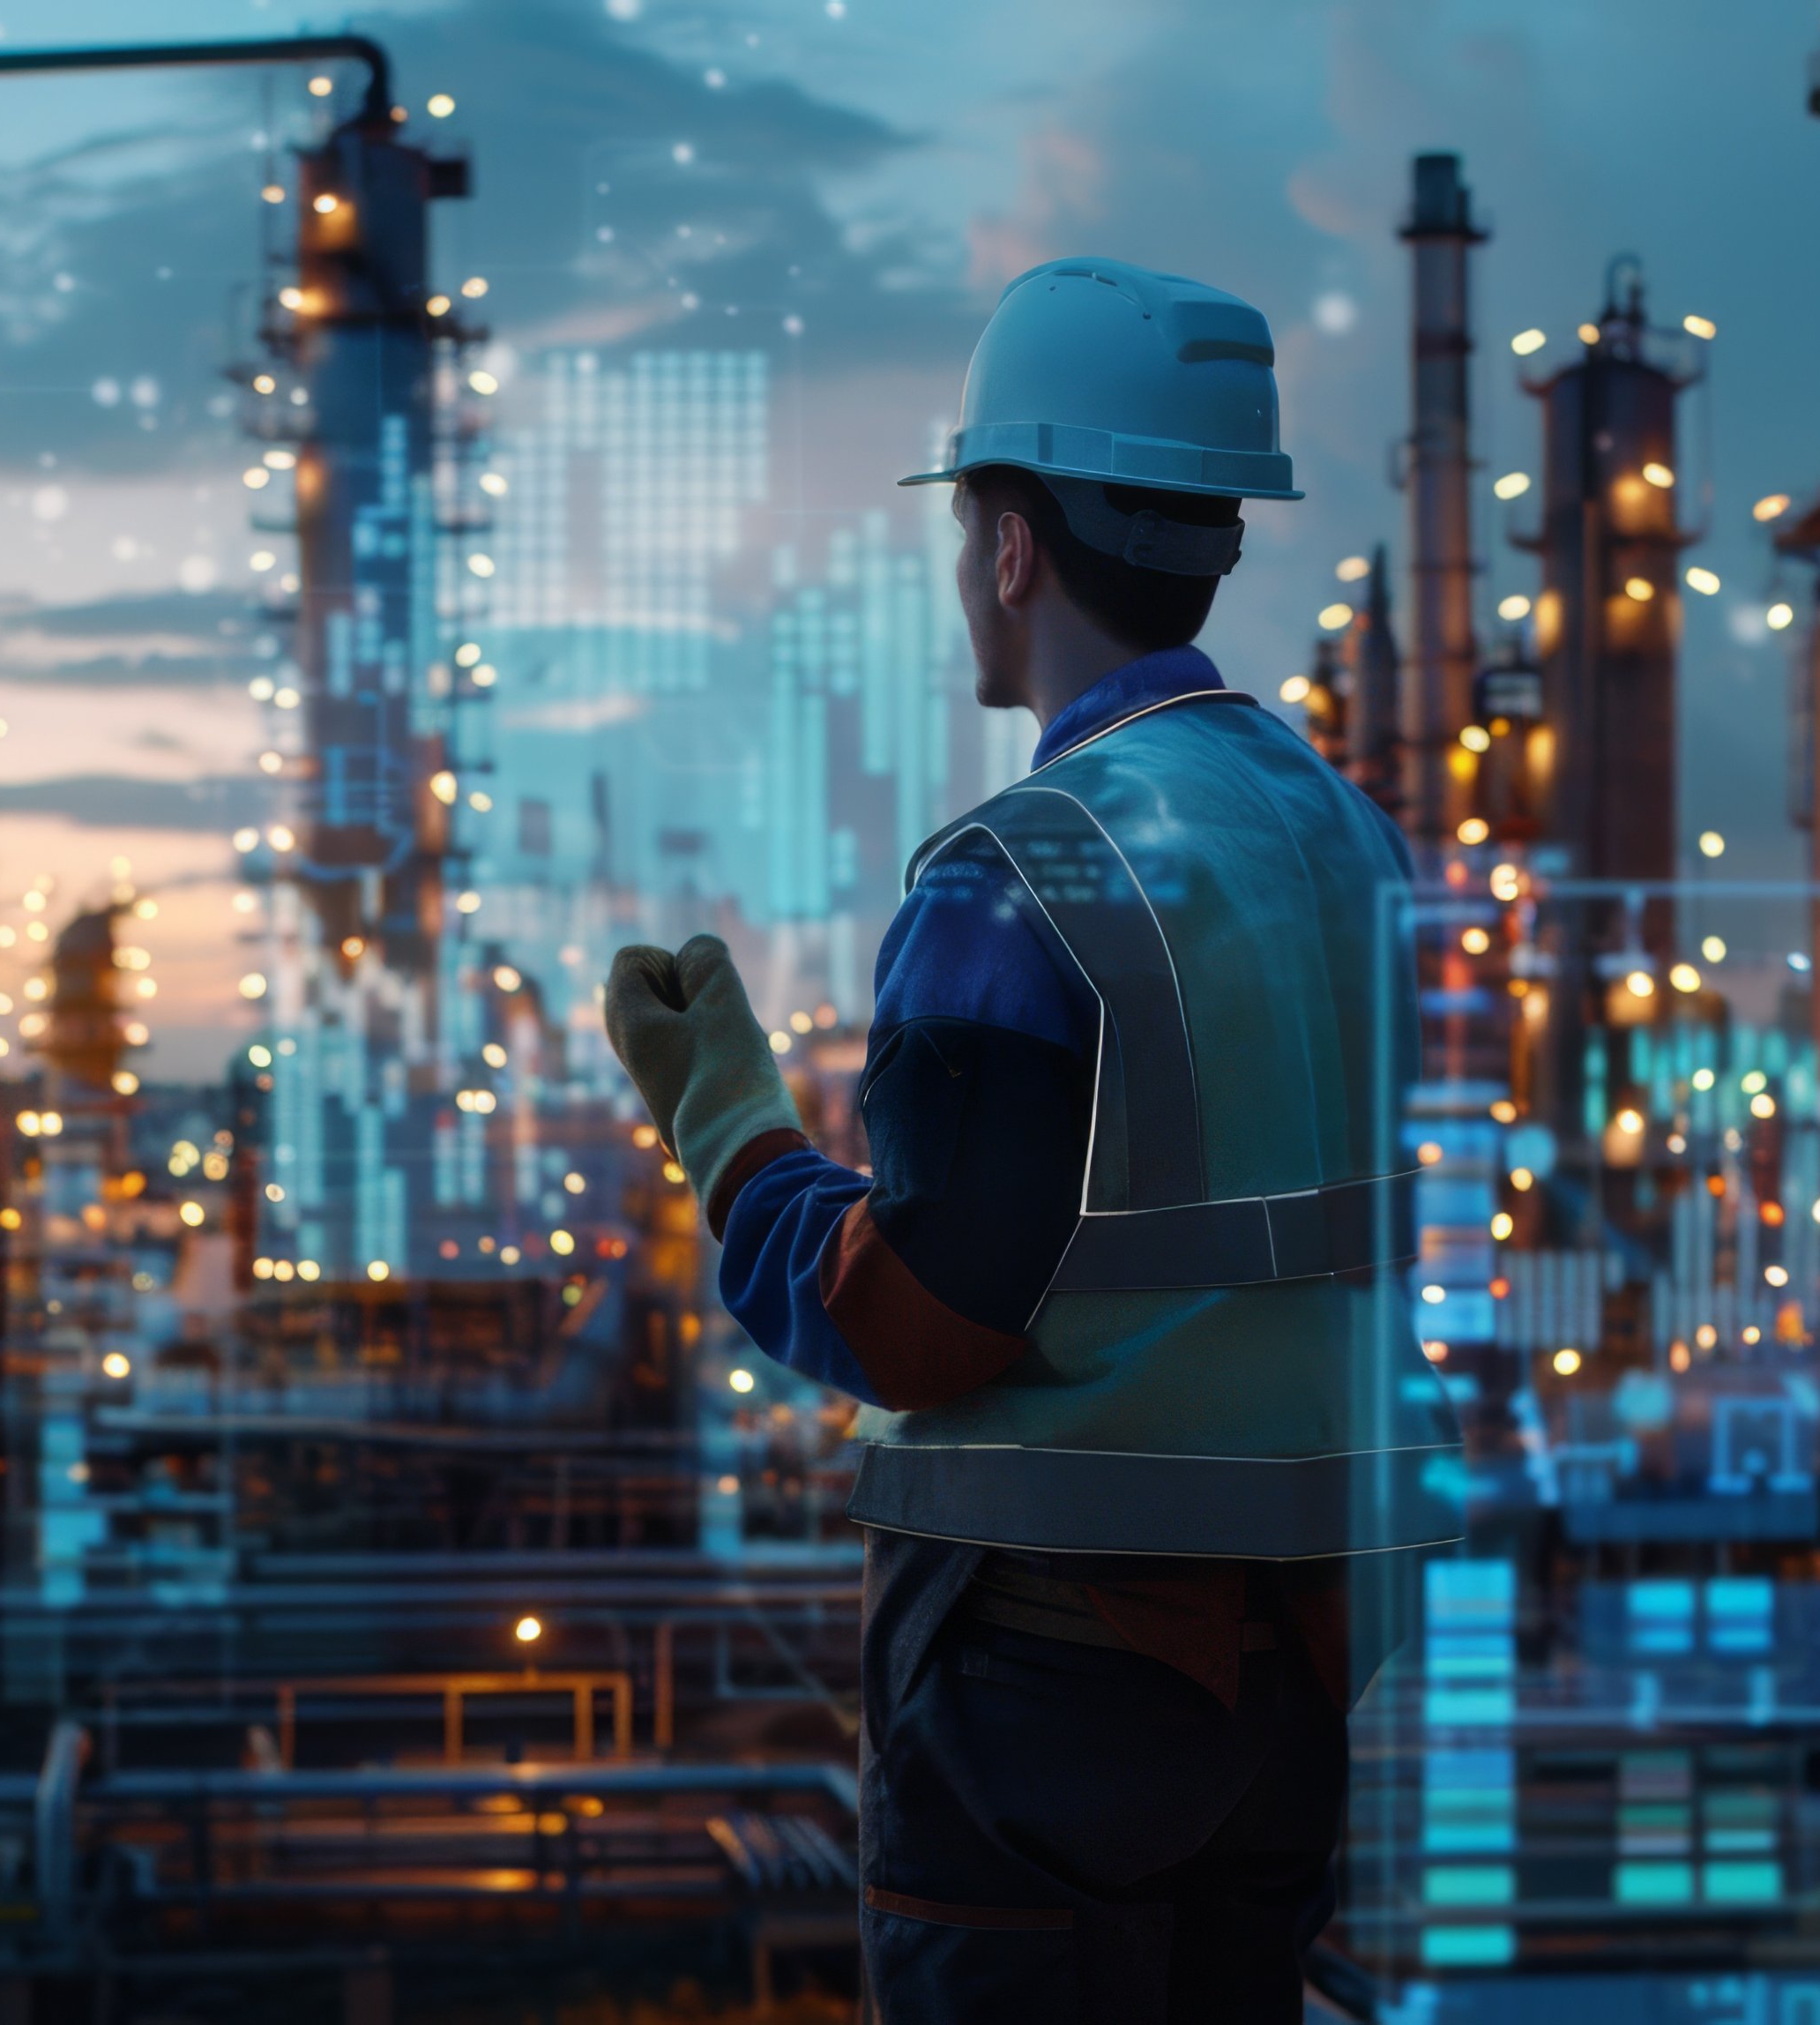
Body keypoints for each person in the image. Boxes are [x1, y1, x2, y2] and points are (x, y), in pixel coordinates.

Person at [601, 257, 1463, 2021]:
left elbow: (918, 1321)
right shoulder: (1347, 842)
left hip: (1049, 1688)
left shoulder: (1025, 869)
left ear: (1005, 540)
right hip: (1295, 1672)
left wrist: (726, 1121)